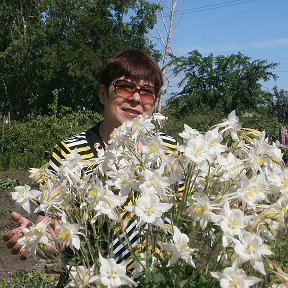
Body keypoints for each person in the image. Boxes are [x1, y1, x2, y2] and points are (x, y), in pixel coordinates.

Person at [2, 49, 178, 285]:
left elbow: (186, 214)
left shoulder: (170, 149)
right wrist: (36, 238)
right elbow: (53, 231)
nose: (136, 99)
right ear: (103, 94)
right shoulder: (69, 152)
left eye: (146, 92)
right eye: (125, 87)